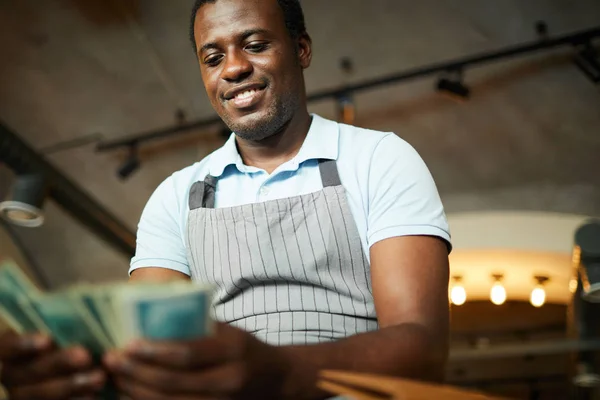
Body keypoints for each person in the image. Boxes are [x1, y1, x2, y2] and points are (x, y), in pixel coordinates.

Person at [0, 0, 452, 398]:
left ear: (302, 49)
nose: (233, 68)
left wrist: (281, 375)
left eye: (255, 44)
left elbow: (422, 346)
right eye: (213, 56)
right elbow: (147, 346)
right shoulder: (176, 195)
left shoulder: (379, 158)